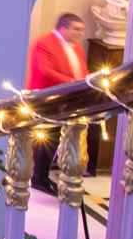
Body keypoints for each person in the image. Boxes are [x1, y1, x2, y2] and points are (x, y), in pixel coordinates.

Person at [26, 13, 88, 193]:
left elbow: (81, 70)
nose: (80, 33)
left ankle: (52, 175)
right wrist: (73, 83)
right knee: (47, 140)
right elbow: (45, 71)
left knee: (59, 139)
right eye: (77, 29)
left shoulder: (76, 47)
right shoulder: (44, 43)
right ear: (64, 28)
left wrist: (87, 80)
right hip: (48, 100)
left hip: (69, 100)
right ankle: (39, 178)